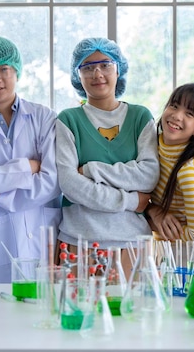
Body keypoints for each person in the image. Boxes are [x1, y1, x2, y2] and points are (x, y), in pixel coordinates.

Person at [55, 37, 160, 274]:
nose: (97, 73)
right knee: (77, 310)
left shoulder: (140, 116)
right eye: (88, 67)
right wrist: (132, 201)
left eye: (105, 64)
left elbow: (149, 175)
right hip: (78, 242)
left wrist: (91, 170)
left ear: (118, 68)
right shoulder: (68, 120)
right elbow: (70, 184)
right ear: (77, 76)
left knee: (132, 311)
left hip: (132, 244)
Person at [0, 36, 62, 283]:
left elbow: (52, 181)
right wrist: (26, 168)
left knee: (44, 308)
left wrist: (2, 195)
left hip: (42, 235)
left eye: (4, 69)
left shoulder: (43, 117)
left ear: (17, 72)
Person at [145, 83, 194, 242]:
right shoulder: (151, 146)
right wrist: (152, 210)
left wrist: (152, 224)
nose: (177, 116)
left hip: (181, 260)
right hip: (159, 253)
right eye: (174, 106)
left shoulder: (188, 172)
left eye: (189, 113)